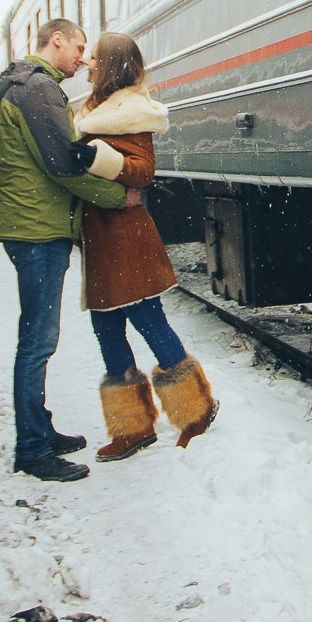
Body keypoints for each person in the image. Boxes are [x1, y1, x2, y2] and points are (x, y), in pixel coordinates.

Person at [0, 18, 128, 481]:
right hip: (38, 232)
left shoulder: (24, 84)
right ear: (56, 40)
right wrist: (122, 196)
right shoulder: (39, 88)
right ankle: (32, 450)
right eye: (79, 46)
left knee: (38, 338)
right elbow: (62, 165)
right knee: (38, 342)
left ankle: (40, 428)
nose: (83, 57)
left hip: (32, 228)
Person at [69, 32, 218, 459]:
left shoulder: (129, 112)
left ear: (111, 65)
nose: (88, 64)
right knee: (106, 327)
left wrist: (97, 158)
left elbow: (142, 170)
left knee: (147, 319)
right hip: (102, 238)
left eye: (94, 58)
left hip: (125, 237)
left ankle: (195, 411)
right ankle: (133, 427)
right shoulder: (96, 109)